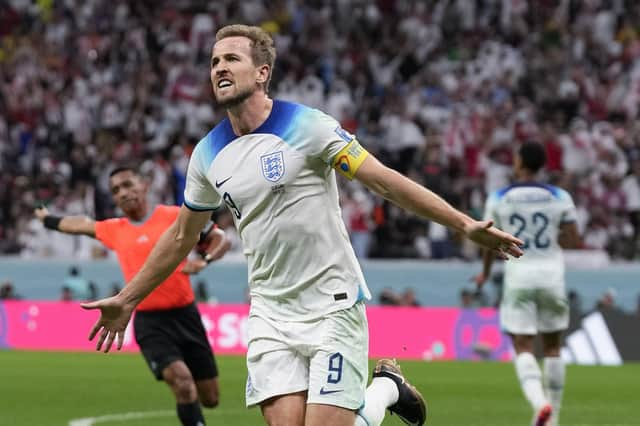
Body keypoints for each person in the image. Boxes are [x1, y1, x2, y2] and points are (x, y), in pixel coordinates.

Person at [81, 24, 523, 426]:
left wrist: (464, 225)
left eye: (232, 58)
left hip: (331, 303)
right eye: (214, 61)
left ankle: (385, 389)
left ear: (262, 73)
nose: (219, 68)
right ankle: (388, 387)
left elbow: (383, 181)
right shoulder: (207, 154)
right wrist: (128, 298)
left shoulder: (307, 125)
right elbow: (181, 236)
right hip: (270, 312)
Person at [34, 166, 231, 426]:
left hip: (186, 316)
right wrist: (48, 219)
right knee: (182, 382)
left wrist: (203, 260)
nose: (123, 193)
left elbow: (221, 238)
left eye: (127, 185)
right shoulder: (115, 228)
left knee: (211, 398)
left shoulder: (174, 216)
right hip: (150, 323)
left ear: (144, 185)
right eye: (116, 190)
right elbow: (81, 225)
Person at [473, 141, 581, 426]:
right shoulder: (560, 196)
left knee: (522, 345)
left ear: (520, 163)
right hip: (552, 275)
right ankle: (553, 417)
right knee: (554, 347)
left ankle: (539, 403)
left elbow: (488, 239)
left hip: (519, 275)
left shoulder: (499, 197)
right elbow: (572, 239)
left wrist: (485, 272)